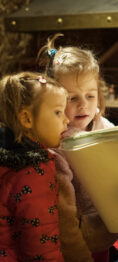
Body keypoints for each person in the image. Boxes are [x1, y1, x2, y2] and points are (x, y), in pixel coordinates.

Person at [38, 34, 118, 262]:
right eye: (72, 98)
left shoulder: (106, 127)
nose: (83, 104)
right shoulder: (55, 142)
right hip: (73, 239)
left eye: (90, 96)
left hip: (105, 229)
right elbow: (62, 211)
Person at [0, 72, 69, 261]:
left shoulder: (7, 156)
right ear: (26, 119)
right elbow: (42, 247)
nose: (66, 120)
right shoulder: (33, 171)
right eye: (58, 112)